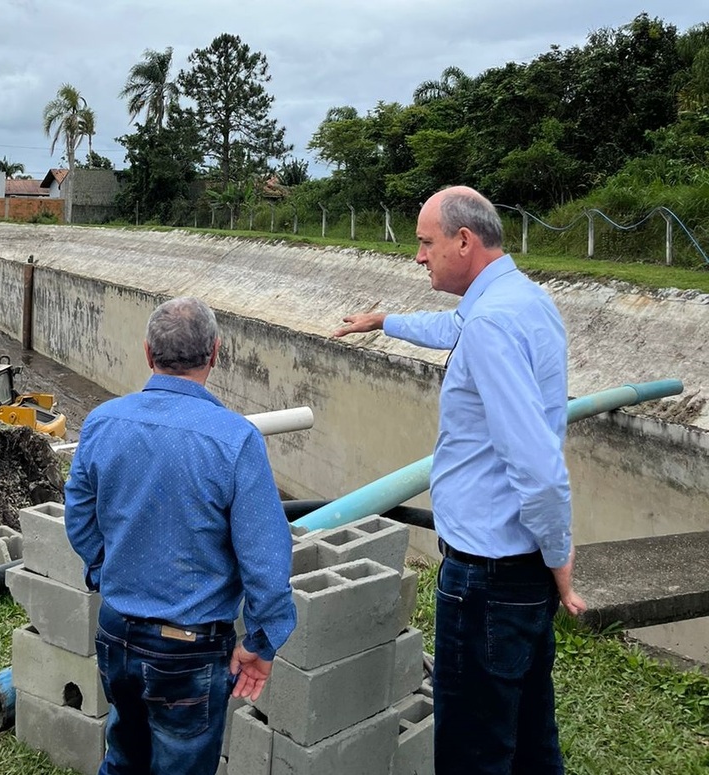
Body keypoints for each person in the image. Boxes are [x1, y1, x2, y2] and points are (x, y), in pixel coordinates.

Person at [334, 186, 586, 775]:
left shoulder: (493, 326)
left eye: (426, 243)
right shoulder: (521, 301)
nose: (418, 256)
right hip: (516, 578)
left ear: (464, 240)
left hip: (489, 580)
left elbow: (538, 468)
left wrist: (561, 559)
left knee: (473, 748)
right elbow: (457, 329)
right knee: (527, 737)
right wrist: (386, 321)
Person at [65, 296, 295, 775]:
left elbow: (80, 515)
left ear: (149, 354)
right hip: (188, 651)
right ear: (216, 354)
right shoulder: (235, 440)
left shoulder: (104, 421)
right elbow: (265, 559)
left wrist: (106, 572)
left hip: (116, 633)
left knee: (124, 755)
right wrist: (261, 640)